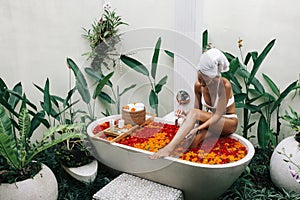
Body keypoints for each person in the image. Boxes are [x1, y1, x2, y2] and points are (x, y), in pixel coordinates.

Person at [150, 48, 238, 159]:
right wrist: (185, 116)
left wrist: (197, 129)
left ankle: (168, 148)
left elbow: (217, 115)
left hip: (228, 123)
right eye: (199, 79)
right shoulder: (198, 86)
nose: (201, 84)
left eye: (205, 81)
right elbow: (197, 112)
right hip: (212, 124)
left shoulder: (225, 86)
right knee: (192, 142)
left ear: (214, 76)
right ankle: (209, 137)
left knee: (194, 126)